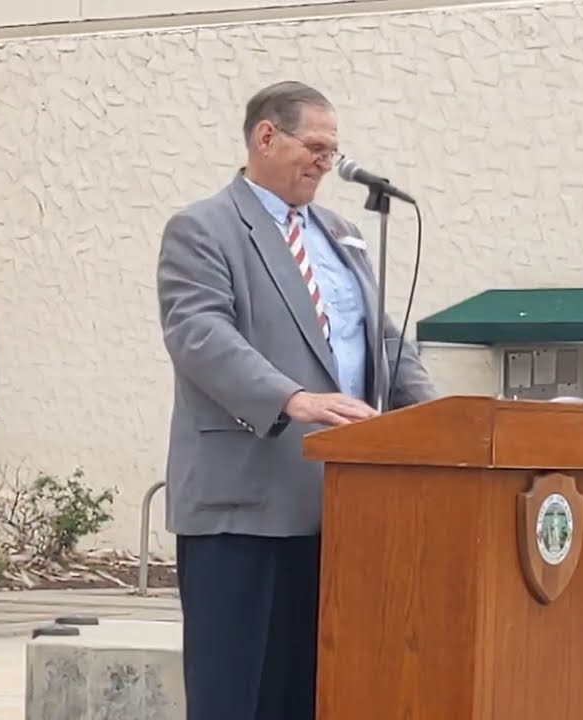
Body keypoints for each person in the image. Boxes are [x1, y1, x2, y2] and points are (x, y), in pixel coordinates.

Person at [155, 80, 440, 720]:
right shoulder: (203, 228)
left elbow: (380, 335)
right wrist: (291, 398)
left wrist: (432, 414)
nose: (326, 161)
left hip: (339, 504)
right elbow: (199, 335)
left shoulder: (340, 233)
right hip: (244, 503)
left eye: (333, 149)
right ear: (265, 137)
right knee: (237, 694)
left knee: (312, 692)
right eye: (315, 145)